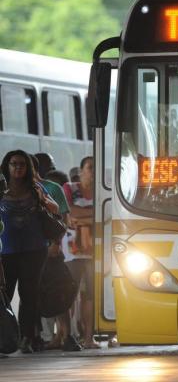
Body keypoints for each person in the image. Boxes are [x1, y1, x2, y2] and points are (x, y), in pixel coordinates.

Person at [0, 150, 59, 353]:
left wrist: (43, 199)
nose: (18, 168)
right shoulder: (1, 188)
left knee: (29, 294)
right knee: (4, 294)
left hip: (34, 250)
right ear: (7, 166)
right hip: (5, 251)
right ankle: (6, 338)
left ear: (28, 168)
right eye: (14, 164)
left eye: (22, 164)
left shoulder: (35, 188)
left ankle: (27, 337)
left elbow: (55, 208)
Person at [32, 155, 82, 352]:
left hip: (50, 250)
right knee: (29, 294)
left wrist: (55, 243)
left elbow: (64, 219)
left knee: (58, 292)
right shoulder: (11, 190)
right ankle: (31, 337)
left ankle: (67, 335)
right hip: (23, 250)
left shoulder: (52, 188)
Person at [62, 156, 99, 349]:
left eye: (96, 167)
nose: (93, 171)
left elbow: (105, 214)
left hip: (95, 251)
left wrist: (84, 216)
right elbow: (70, 213)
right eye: (90, 167)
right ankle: (67, 336)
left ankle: (88, 338)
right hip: (73, 250)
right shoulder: (69, 188)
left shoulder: (101, 190)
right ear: (81, 170)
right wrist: (94, 215)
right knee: (70, 293)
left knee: (90, 295)